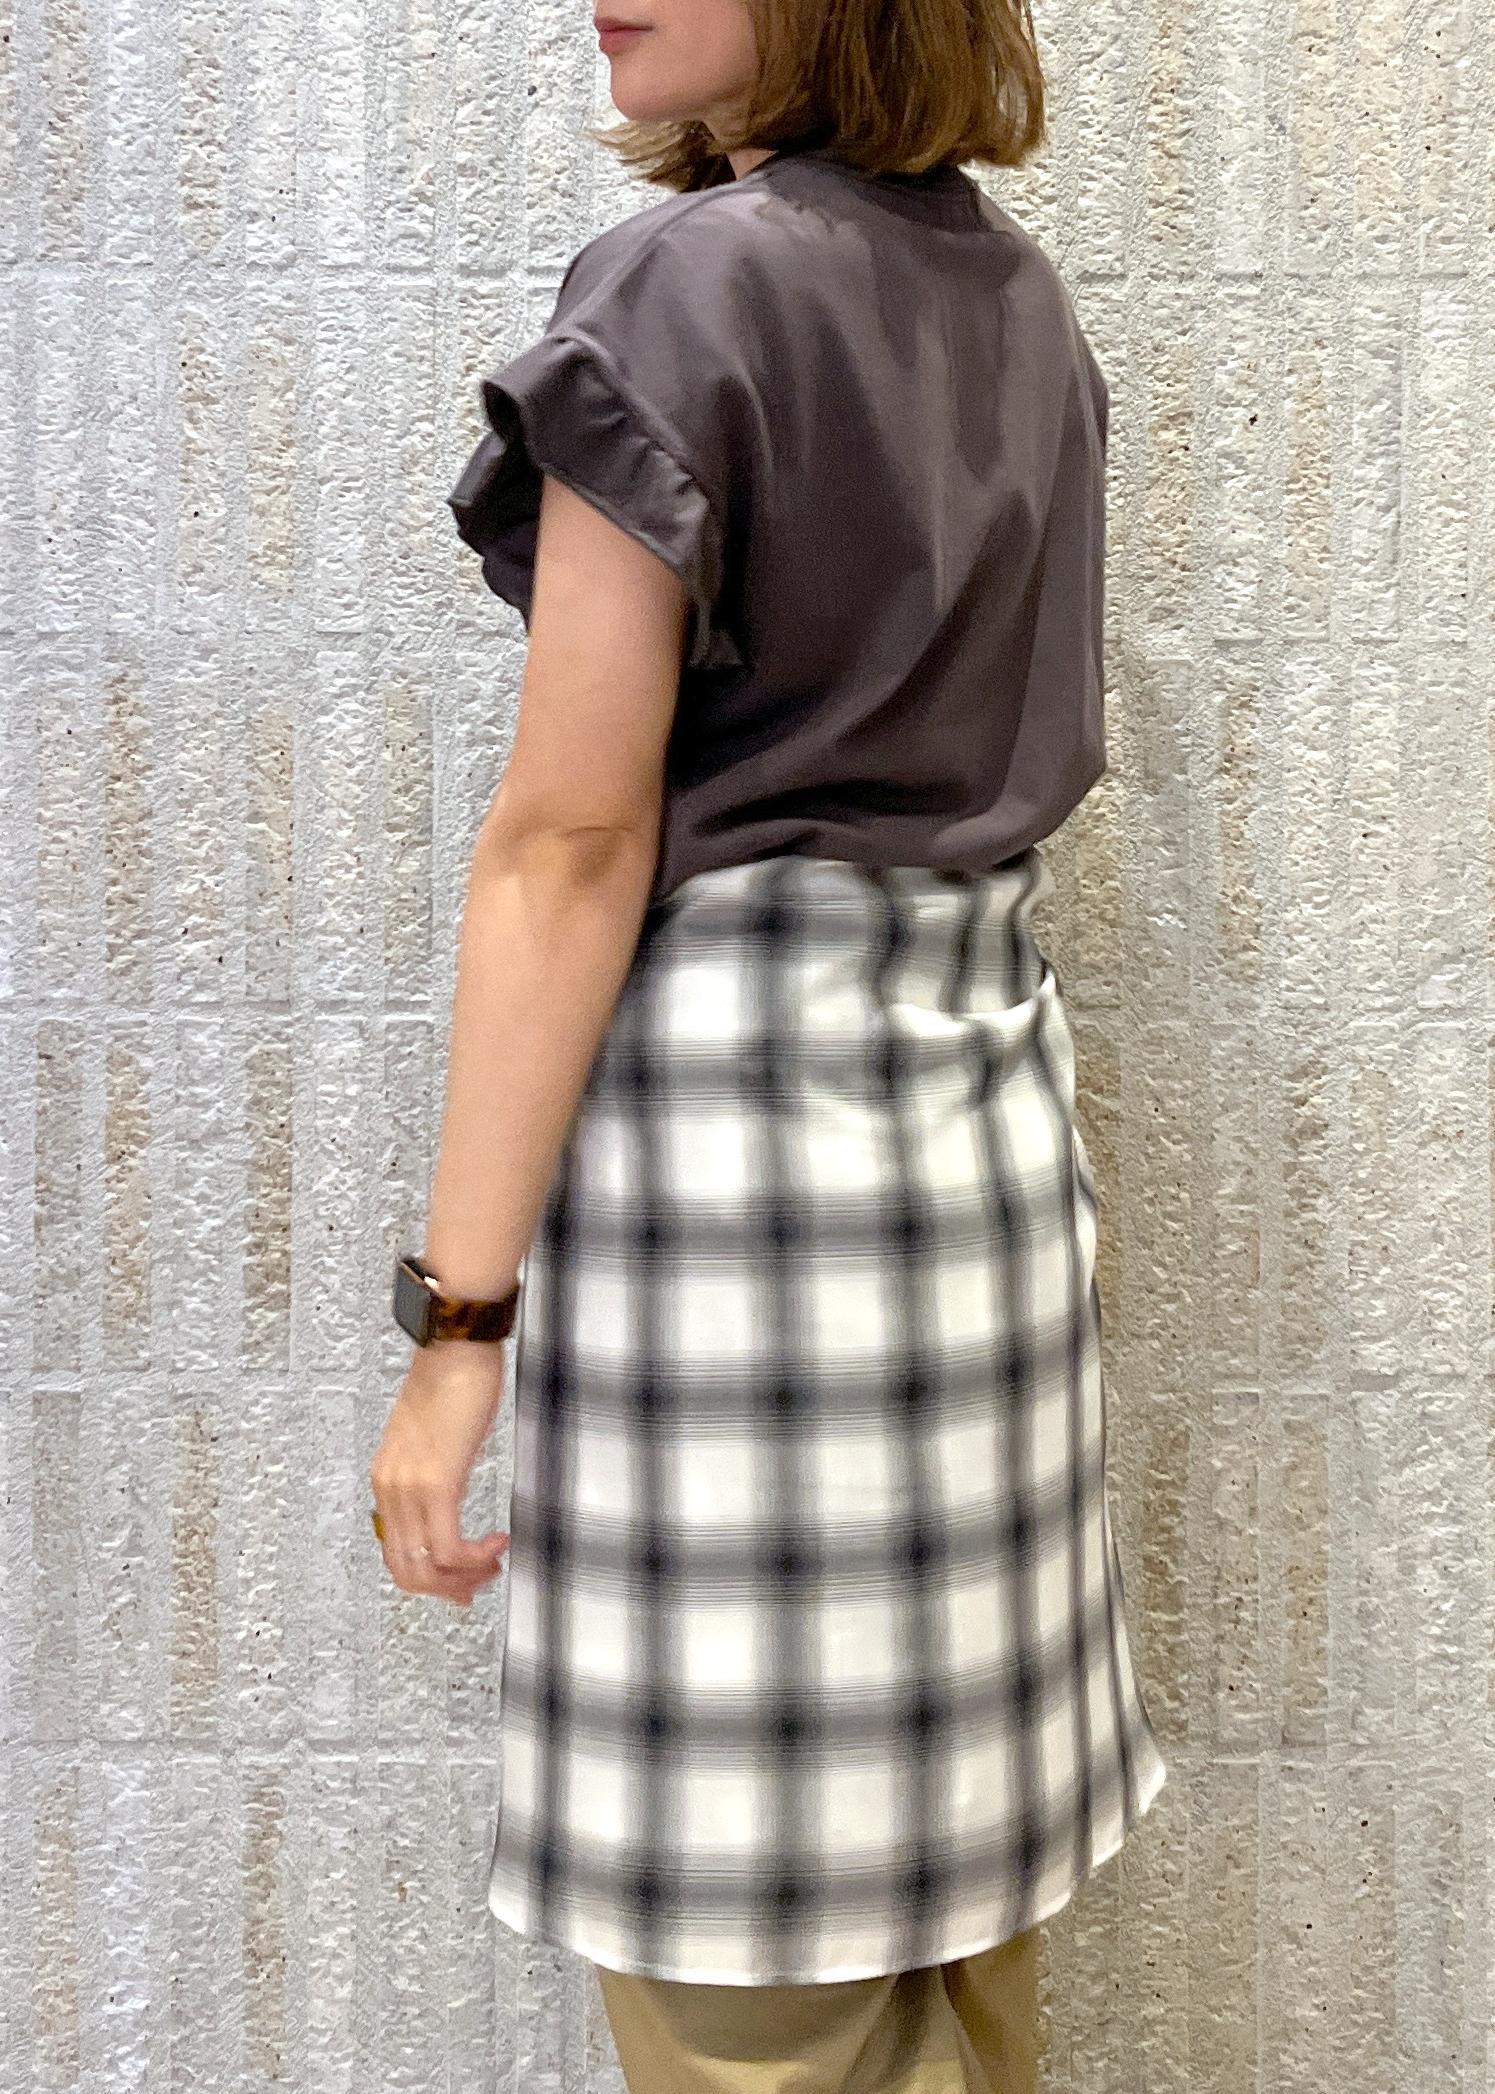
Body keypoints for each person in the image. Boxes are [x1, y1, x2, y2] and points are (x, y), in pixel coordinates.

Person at [368, 0, 1168, 2086]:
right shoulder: (1018, 302)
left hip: (745, 1226)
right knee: (959, 1968)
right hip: (983, 1192)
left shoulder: (682, 292)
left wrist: (457, 1327)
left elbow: (568, 843)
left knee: (757, 2015)